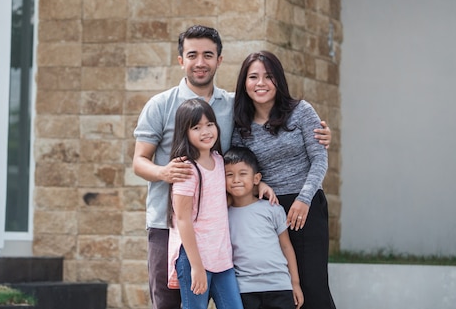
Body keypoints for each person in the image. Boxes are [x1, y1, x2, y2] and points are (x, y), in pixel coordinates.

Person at [133, 25, 331, 309]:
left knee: (286, 294)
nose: (200, 62)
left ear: (219, 60)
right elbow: (139, 161)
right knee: (169, 302)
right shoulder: (160, 105)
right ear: (181, 60)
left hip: (225, 225)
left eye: (208, 55)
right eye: (192, 55)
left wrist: (258, 181)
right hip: (170, 223)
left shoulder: (233, 106)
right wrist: (165, 172)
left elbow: (242, 156)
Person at [231, 50, 337, 309]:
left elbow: (319, 159)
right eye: (253, 77)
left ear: (278, 80)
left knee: (313, 288)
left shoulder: (301, 112)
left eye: (268, 76)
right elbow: (236, 164)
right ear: (244, 83)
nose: (261, 83)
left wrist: (304, 199)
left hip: (306, 207)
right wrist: (259, 184)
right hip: (268, 210)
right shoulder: (239, 125)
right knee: (283, 291)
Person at [167, 98, 243, 309]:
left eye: (210, 124)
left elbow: (220, 200)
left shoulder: (219, 160)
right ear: (185, 132)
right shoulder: (186, 169)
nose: (206, 131)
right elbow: (182, 219)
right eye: (197, 127)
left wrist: (259, 188)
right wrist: (196, 266)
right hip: (194, 256)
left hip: (221, 257)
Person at [224, 146, 304, 309]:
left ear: (256, 178)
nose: (236, 180)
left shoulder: (272, 209)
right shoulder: (224, 216)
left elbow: (286, 246)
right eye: (229, 175)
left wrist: (295, 283)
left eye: (243, 174)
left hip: (279, 286)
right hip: (245, 289)